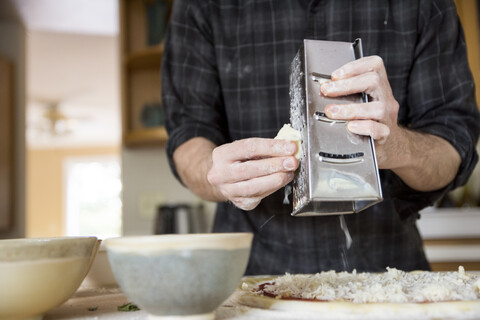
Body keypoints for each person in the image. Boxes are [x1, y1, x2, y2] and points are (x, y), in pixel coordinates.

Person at [161, 0, 480, 275]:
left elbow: (454, 143)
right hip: (250, 275)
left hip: (387, 276)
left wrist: (396, 146)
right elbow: (188, 131)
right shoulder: (202, 5)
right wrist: (216, 174)